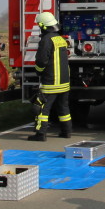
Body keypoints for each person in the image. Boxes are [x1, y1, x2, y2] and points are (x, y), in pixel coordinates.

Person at [28, 11, 73, 141]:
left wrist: (38, 71)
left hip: (51, 82)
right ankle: (66, 131)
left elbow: (42, 61)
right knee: (64, 108)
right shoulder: (60, 39)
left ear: (42, 25)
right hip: (64, 82)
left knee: (42, 109)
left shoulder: (46, 40)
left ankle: (40, 134)